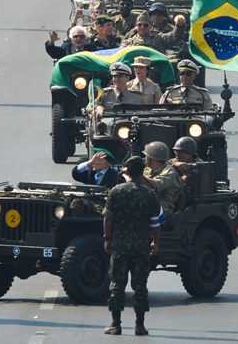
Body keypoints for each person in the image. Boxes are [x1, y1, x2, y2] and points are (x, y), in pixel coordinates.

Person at [102, 155, 160, 336]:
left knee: (117, 285)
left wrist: (107, 239)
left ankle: (115, 324)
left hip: (120, 246)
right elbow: (155, 224)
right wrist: (155, 242)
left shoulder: (116, 192)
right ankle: (140, 325)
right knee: (140, 286)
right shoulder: (150, 194)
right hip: (141, 247)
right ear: (142, 172)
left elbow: (108, 218)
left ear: (127, 170)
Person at [142, 140, 183, 220]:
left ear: (151, 158)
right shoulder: (148, 170)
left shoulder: (169, 171)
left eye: (146, 156)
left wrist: (139, 177)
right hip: (150, 205)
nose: (145, 159)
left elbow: (157, 185)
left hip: (163, 211)